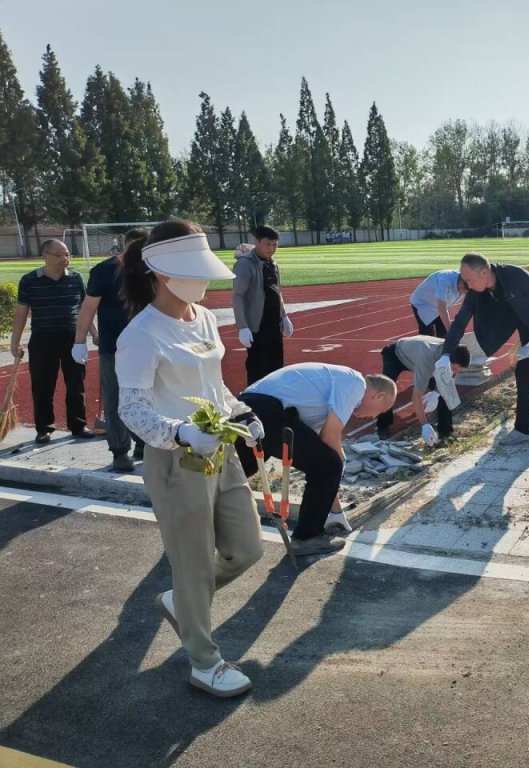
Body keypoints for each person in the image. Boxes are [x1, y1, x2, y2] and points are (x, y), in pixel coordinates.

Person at [116, 219, 266, 698]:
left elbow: (212, 385)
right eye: (191, 270)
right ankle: (205, 662)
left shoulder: (203, 317)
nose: (202, 279)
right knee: (195, 562)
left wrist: (240, 412)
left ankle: (183, 601)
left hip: (220, 450)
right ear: (161, 272)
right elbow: (131, 409)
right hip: (176, 462)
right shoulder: (140, 334)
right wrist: (179, 434)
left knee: (248, 548)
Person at [236, 364, 397, 553]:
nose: (373, 417)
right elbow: (329, 439)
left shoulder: (321, 402)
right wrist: (340, 461)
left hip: (246, 409)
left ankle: (208, 516)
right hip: (267, 409)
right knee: (329, 465)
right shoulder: (355, 383)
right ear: (379, 396)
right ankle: (306, 538)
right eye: (380, 412)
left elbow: (319, 450)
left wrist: (335, 511)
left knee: (239, 470)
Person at [439, 252, 529, 446]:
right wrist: (446, 354)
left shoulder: (515, 276)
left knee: (524, 371)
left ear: (483, 272)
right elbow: (460, 321)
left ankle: (523, 429)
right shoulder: (476, 291)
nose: (467, 286)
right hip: (521, 326)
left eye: (469, 280)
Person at [73, 228, 149, 471]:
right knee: (115, 398)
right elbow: (88, 308)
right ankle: (119, 451)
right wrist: (79, 341)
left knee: (147, 396)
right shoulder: (104, 271)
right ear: (125, 245)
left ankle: (143, 442)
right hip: (113, 347)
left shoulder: (150, 269)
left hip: (147, 346)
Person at [11, 239, 96, 443]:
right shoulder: (29, 280)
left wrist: (94, 333)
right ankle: (44, 428)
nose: (65, 259)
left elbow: (84, 309)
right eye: (59, 255)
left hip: (74, 339)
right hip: (43, 340)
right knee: (42, 386)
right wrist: (15, 342)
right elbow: (21, 313)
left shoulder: (75, 279)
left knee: (76, 384)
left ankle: (78, 425)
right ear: (45, 256)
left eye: (67, 254)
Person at [377, 336, 471, 444]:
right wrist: (424, 425)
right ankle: (382, 426)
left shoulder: (449, 353)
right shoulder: (427, 361)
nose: (454, 373)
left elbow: (446, 382)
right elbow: (416, 396)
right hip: (396, 354)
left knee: (444, 393)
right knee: (386, 389)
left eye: (458, 371)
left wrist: (436, 393)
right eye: (453, 369)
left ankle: (445, 432)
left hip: (419, 355)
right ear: (448, 361)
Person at [232, 226, 293, 385]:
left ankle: (273, 397)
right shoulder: (245, 264)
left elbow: (277, 291)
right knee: (258, 368)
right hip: (257, 326)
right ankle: (255, 398)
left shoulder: (272, 264)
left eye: (274, 245)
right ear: (257, 242)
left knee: (276, 366)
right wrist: (242, 326)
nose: (271, 249)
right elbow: (238, 295)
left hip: (274, 324)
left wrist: (284, 316)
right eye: (267, 244)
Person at [409, 269, 467, 337]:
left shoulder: (468, 284)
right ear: (461, 281)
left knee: (444, 335)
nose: (464, 293)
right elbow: (441, 309)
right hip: (423, 304)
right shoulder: (444, 280)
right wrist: (450, 331)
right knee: (427, 336)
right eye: (464, 289)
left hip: (438, 305)